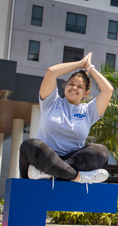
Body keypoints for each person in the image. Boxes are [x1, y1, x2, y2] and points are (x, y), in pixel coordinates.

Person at [19, 53, 112, 185]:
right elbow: (51, 72)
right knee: (29, 145)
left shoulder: (88, 111)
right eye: (71, 84)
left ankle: (50, 173)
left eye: (80, 87)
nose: (74, 88)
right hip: (44, 159)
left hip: (71, 162)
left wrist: (90, 68)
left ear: (86, 93)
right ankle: (78, 177)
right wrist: (81, 63)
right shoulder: (51, 102)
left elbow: (108, 90)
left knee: (101, 152)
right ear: (66, 86)